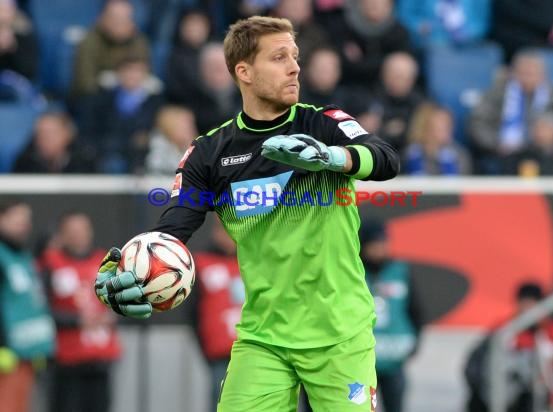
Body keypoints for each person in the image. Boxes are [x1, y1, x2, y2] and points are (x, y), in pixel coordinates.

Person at [95, 15, 399, 412]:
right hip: (263, 337)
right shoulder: (208, 153)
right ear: (245, 72)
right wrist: (122, 272)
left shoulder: (324, 124)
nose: (294, 67)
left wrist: (332, 157)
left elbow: (385, 159)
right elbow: (171, 231)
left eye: (295, 56)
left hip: (340, 335)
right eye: (278, 57)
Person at [40, 212, 121, 412]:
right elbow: (40, 310)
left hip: (100, 357)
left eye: (82, 230)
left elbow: (126, 301)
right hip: (66, 360)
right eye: (72, 231)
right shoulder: (49, 264)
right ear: (62, 235)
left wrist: (114, 314)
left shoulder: (107, 263)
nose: (78, 236)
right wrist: (76, 320)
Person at [464, 282, 553, 412]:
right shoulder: (503, 330)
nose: (527, 309)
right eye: (523, 303)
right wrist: (486, 387)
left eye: (531, 304)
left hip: (546, 394)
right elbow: (473, 366)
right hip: (507, 394)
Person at [360, 220, 423, 412]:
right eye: (375, 244)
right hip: (361, 361)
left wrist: (414, 344)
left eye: (384, 243)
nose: (381, 248)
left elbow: (416, 310)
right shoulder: (354, 271)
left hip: (393, 358)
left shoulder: (400, 271)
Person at [0, 201, 55, 412]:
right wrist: (2, 345)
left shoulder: (23, 256)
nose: (23, 225)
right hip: (7, 353)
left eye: (26, 220)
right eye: (17, 219)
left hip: (26, 350)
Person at [190, 216, 244, 412]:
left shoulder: (252, 260)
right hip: (220, 352)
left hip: (253, 348)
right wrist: (204, 348)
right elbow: (193, 313)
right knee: (221, 400)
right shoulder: (202, 261)